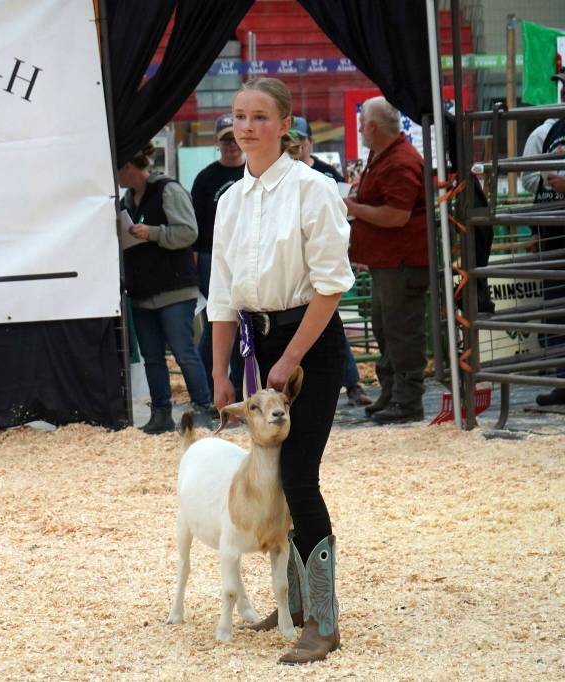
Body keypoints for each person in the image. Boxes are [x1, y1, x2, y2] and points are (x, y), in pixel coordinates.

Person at [208, 77, 354, 664]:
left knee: (297, 475)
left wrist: (291, 357)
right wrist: (218, 372)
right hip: (256, 346)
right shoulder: (229, 200)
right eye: (239, 117)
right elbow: (221, 293)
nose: (246, 127)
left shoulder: (313, 190)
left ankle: (323, 619)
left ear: (285, 125)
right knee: (271, 475)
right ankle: (293, 602)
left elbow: (332, 284)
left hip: (308, 346)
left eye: (260, 117)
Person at [120, 142, 216, 434]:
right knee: (152, 356)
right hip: (143, 289)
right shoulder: (126, 200)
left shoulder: (168, 190)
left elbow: (189, 231)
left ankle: (203, 408)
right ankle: (161, 412)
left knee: (183, 351)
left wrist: (153, 233)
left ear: (128, 167)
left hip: (175, 287)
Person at [344, 97, 430, 424]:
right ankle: (391, 394)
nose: (361, 129)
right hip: (389, 261)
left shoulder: (400, 161)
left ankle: (408, 401)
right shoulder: (384, 156)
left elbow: (396, 215)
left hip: (402, 261)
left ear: (373, 127)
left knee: (402, 330)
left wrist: (353, 207)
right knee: (385, 327)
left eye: (363, 123)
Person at [288, 116, 372, 407]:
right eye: (291, 138)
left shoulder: (326, 175)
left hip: (323, 262)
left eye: (300, 138)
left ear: (310, 142)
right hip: (296, 268)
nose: (296, 144)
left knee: (328, 324)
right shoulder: (283, 176)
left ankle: (352, 384)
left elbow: (343, 217)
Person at [190, 114, 245, 401]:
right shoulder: (205, 180)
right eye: (225, 139)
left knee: (242, 322)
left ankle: (235, 384)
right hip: (215, 257)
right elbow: (196, 231)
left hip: (249, 254)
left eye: (234, 138)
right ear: (217, 142)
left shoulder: (255, 170)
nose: (231, 145)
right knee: (220, 321)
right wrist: (197, 268)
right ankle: (213, 387)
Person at [520, 69, 565, 406]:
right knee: (555, 303)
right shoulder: (548, 131)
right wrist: (548, 179)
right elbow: (528, 176)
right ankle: (561, 379)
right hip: (550, 226)